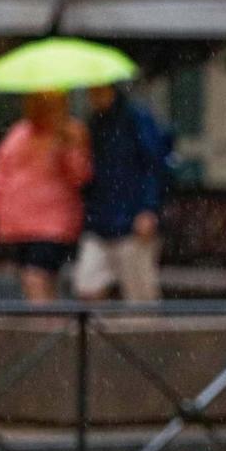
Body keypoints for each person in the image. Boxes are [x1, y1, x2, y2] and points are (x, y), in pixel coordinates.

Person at [0, 91, 91, 303]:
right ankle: (50, 324)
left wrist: (67, 148)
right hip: (18, 225)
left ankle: (44, 327)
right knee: (35, 279)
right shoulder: (18, 134)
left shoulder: (70, 133)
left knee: (36, 276)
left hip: (52, 224)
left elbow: (81, 176)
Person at [73, 83, 172, 303]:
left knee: (139, 296)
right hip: (100, 221)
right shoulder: (93, 123)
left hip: (132, 220)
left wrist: (148, 207)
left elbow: (154, 166)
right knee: (87, 287)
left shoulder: (136, 119)